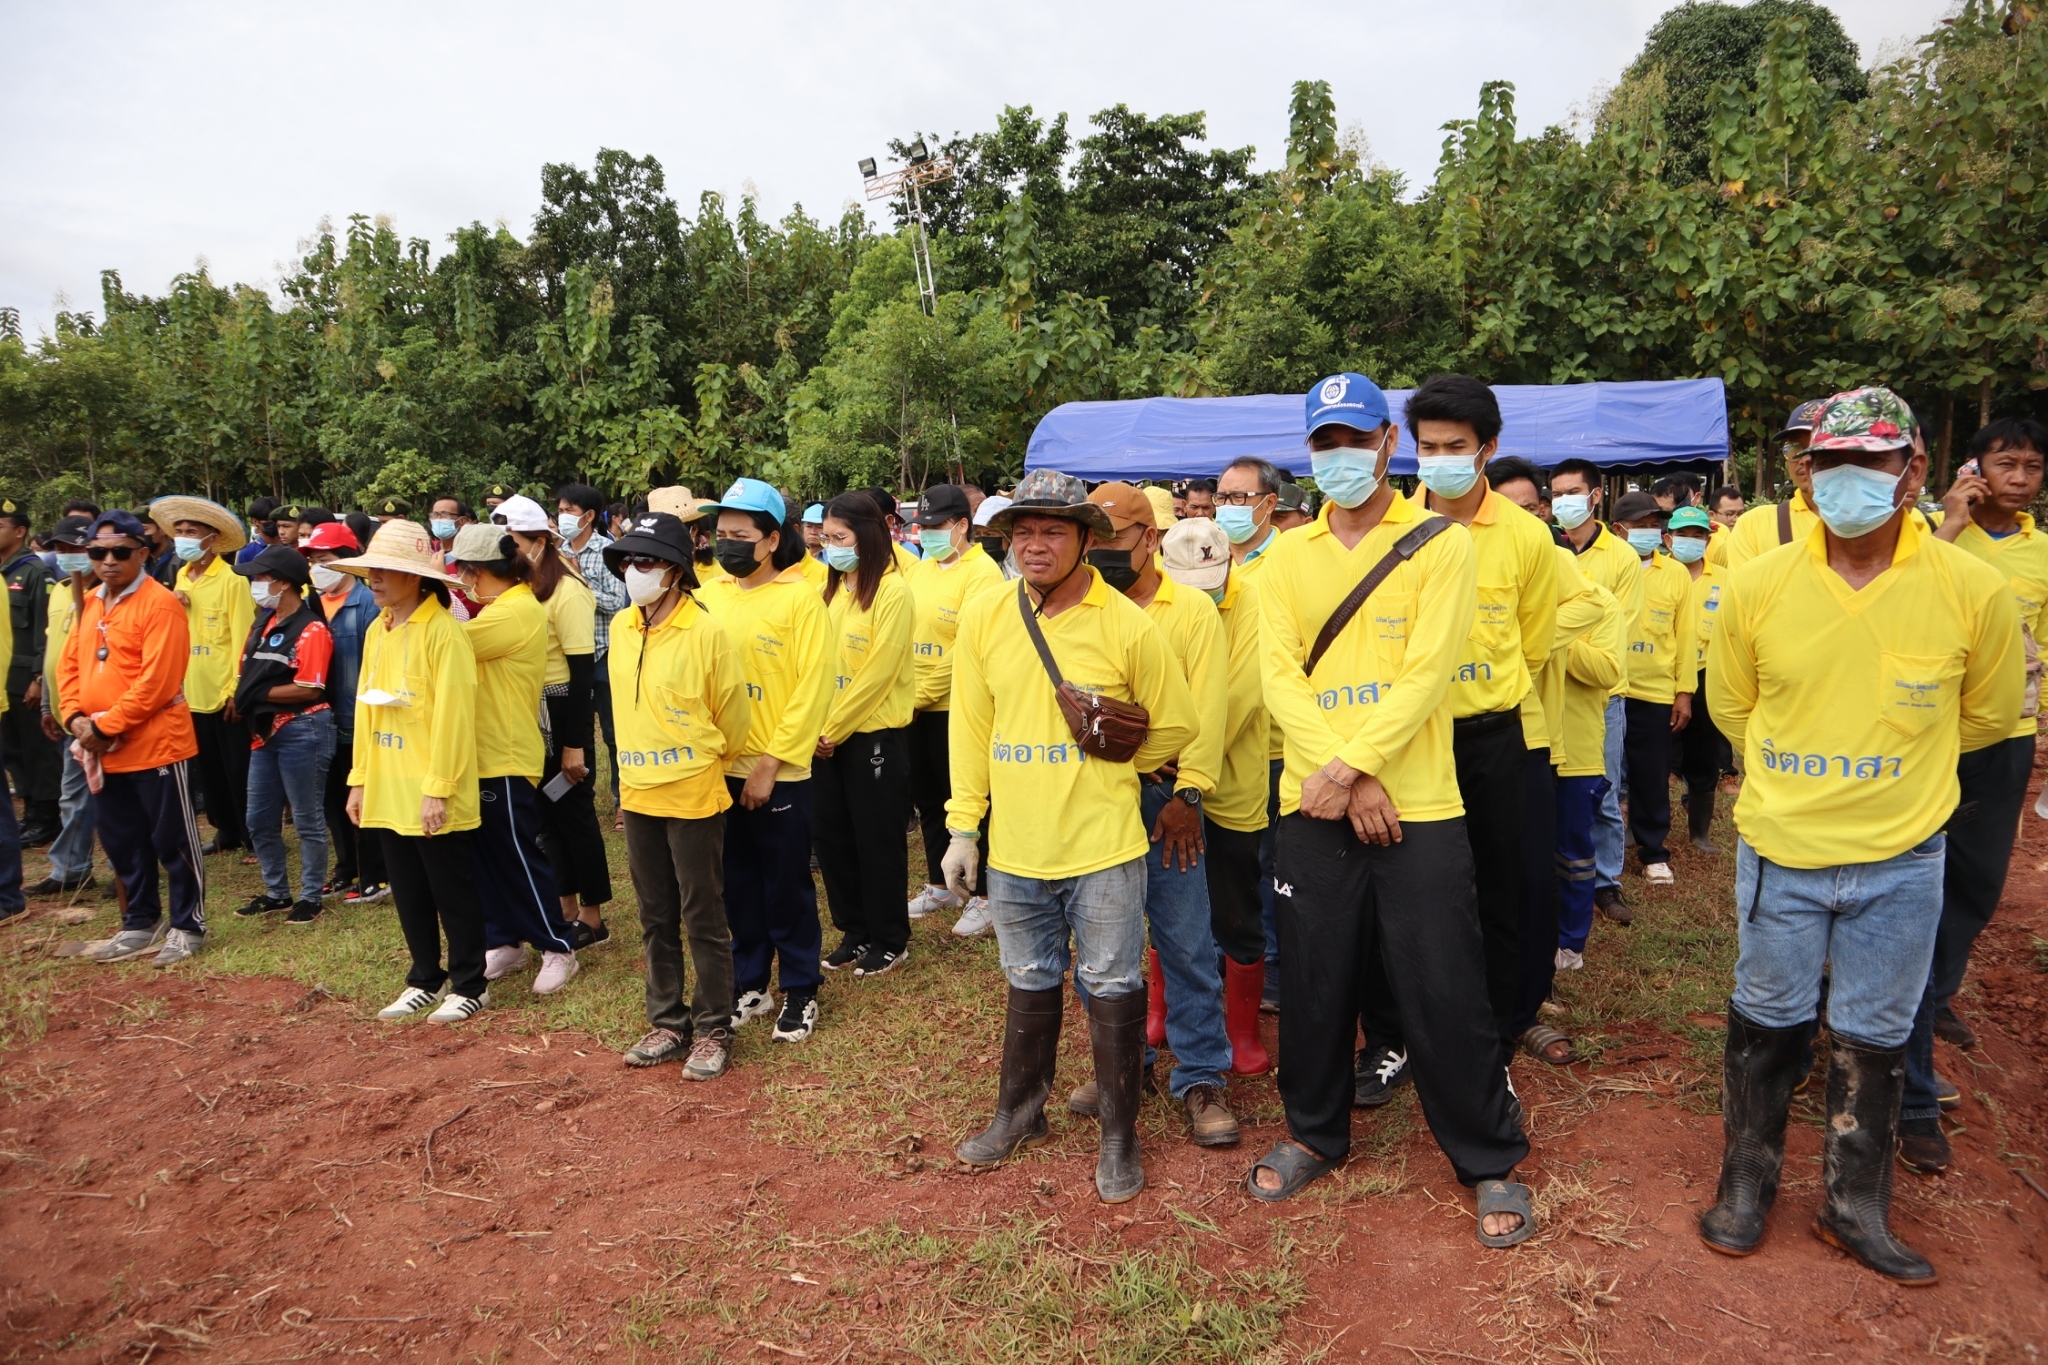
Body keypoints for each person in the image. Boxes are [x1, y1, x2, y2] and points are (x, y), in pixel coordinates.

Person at [1701, 387, 2020, 1285]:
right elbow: (1732, 704)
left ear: (1913, 469)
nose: (1848, 478)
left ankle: (1855, 1204)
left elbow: (1986, 717)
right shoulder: (1759, 583)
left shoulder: (1972, 589)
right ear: (1806, 474)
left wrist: (1891, 779)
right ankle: (1746, 1182)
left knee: (1875, 1033)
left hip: (1902, 858)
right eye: (1830, 462)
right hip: (1783, 851)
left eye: (1871, 461)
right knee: (1767, 1019)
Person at [1247, 373, 1532, 1246]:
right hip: (1317, 803)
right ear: (1310, 451)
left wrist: (1352, 766)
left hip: (1420, 803)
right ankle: (1314, 1132)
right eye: (1323, 442)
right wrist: (1346, 776)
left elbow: (1428, 674)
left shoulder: (1440, 544)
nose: (1340, 455)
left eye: (1355, 438)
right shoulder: (1284, 556)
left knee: (1444, 980)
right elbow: (1279, 677)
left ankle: (1487, 1155)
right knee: (1317, 977)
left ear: (1386, 443)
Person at [946, 468, 1198, 1203]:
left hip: (1104, 847)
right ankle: (1019, 1113)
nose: (1034, 545)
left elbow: (1176, 723)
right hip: (1017, 848)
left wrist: (1120, 769)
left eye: (1052, 531)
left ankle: (1119, 1134)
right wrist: (964, 827)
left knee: (1113, 984)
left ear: (1086, 540)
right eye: (1022, 531)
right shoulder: (986, 616)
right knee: (1028, 978)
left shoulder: (1126, 624)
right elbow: (970, 728)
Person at [1060, 481, 1239, 1147]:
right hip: (1095, 795)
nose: (1104, 550)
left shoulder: (1189, 610)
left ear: (1152, 538)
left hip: (1167, 800)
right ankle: (1123, 1062)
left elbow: (1209, 708)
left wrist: (1189, 794)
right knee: (1100, 946)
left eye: (1118, 537)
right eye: (1095, 537)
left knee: (1185, 939)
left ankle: (1201, 1074)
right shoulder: (1074, 608)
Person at [1395, 378, 1557, 1084]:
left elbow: (1534, 641)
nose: (1440, 460)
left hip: (1493, 737)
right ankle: (1408, 1028)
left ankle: (1498, 1026)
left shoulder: (1526, 535)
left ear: (1487, 447)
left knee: (1499, 881)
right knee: (1414, 887)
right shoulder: (1391, 527)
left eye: (1454, 446)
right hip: (1407, 740)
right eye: (1428, 447)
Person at [1897, 417, 2048, 1173]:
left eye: (2032, 466)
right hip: (1929, 731)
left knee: (1980, 877)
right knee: (1911, 872)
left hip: (2007, 731)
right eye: (2005, 462)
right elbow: (1902, 600)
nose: (2019, 477)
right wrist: (1951, 521)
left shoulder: (2041, 552)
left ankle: (1935, 991)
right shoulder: (1925, 532)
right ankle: (1901, 1014)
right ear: (1973, 467)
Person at [605, 511, 752, 1080]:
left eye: (646, 561)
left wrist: (700, 758)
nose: (634, 571)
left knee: (702, 915)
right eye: (628, 561)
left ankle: (714, 1028)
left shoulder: (706, 632)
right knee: (654, 914)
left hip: (693, 794)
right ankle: (667, 1022)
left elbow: (733, 719)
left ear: (674, 571)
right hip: (639, 793)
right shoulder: (623, 627)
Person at [697, 480, 833, 1040]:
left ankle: (800, 988)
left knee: (785, 885)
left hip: (778, 772)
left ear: (772, 539)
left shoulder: (801, 600)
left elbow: (811, 690)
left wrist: (770, 764)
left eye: (740, 534)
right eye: (721, 533)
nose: (727, 543)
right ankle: (750, 982)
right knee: (736, 883)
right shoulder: (711, 595)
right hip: (718, 768)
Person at [338, 521, 488, 1024]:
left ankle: (470, 983)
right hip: (389, 782)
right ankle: (424, 976)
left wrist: (438, 788)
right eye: (372, 570)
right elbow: (366, 710)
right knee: (407, 887)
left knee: (451, 889)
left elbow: (454, 718)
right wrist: (360, 779)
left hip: (432, 784)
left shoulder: (444, 632)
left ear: (416, 577)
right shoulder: (378, 630)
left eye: (386, 570)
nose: (375, 579)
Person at [1487, 454, 1600, 1060]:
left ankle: (1522, 1009)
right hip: (1438, 738)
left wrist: (1521, 642)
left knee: (1529, 879)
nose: (1521, 517)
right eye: (1508, 506)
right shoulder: (1439, 547)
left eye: (1531, 507)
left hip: (1527, 737)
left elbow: (1593, 606)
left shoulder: (1546, 554)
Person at [59, 511, 204, 963]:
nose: (108, 561)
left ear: (141, 553)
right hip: (103, 747)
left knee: (172, 841)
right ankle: (139, 921)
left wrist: (104, 727)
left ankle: (188, 925)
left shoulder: (160, 604)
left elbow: (157, 682)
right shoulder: (90, 602)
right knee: (122, 839)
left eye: (120, 552)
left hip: (157, 745)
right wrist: (75, 718)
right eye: (97, 552)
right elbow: (69, 667)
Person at [445, 523, 580, 993]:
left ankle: (557, 945)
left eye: (464, 572)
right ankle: (503, 939)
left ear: (479, 571)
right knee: (484, 857)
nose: (463, 580)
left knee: (517, 855)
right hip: (478, 753)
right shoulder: (500, 608)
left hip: (504, 753)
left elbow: (448, 645)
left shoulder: (516, 611)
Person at [1160, 515, 1271, 1076]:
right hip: (1163, 772)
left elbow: (1242, 694)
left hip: (1232, 780)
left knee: (1236, 903)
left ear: (1230, 565)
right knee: (1166, 897)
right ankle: (1162, 1009)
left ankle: (1242, 1029)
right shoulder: (1154, 602)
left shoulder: (1255, 603)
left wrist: (1185, 757)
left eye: (1211, 585)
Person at [494, 494, 615, 947]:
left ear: (539, 542)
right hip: (530, 710)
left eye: (512, 541)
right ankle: (564, 905)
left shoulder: (568, 590)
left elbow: (581, 671)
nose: (507, 551)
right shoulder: (522, 589)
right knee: (546, 816)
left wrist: (574, 743)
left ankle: (593, 916)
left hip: (562, 709)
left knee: (575, 814)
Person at [813, 492, 917, 976]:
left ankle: (890, 938)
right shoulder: (832, 590)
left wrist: (833, 728)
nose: (831, 547)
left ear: (868, 536)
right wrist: (816, 728)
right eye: (826, 537)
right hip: (824, 739)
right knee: (833, 839)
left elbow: (878, 674)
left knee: (877, 841)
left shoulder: (892, 592)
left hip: (872, 736)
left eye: (841, 537)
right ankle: (854, 931)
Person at [902, 484, 1005, 928]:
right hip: (914, 707)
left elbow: (966, 650)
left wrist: (920, 695)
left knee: (969, 799)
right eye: (921, 526)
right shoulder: (921, 570)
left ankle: (983, 892)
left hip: (953, 706)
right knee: (928, 797)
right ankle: (941, 885)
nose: (926, 533)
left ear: (962, 525)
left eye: (936, 525)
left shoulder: (982, 574)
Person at [1548, 460, 1644, 925]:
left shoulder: (1621, 557)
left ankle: (1605, 883)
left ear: (1595, 495)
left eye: (1573, 492)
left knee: (1601, 793)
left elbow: (1617, 630)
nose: (1563, 501)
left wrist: (1549, 639)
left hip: (1602, 694)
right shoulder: (1544, 547)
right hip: (1546, 693)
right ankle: (1560, 882)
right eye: (1556, 494)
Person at [229, 545, 336, 923]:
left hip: (303, 728)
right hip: (265, 732)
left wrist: (255, 695)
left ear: (285, 583)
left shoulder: (312, 629)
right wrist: (251, 693)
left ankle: (310, 896)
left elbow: (309, 688)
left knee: (307, 819)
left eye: (261, 577)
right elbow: (247, 672)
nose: (255, 585)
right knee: (258, 819)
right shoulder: (263, 623)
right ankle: (277, 893)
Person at [151, 496, 253, 857]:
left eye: (191, 531)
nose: (183, 537)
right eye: (179, 531)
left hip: (224, 692)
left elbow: (244, 637)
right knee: (208, 769)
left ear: (213, 538)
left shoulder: (231, 580)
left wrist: (236, 689)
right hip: (191, 690)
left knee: (237, 769)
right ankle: (226, 830)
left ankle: (253, 835)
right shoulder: (181, 576)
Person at [1608, 490, 1696, 888]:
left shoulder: (1675, 573)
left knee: (1651, 774)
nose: (1649, 531)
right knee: (1603, 774)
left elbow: (1685, 635)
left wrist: (1684, 692)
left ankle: (1654, 851)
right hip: (1606, 687)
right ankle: (1603, 848)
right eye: (1639, 526)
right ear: (1618, 529)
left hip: (1654, 692)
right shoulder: (1604, 566)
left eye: (1653, 525)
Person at [304, 523, 387, 904]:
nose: (317, 567)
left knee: (363, 797)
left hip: (358, 718)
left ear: (349, 561)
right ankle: (345, 868)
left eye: (325, 559)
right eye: (313, 560)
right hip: (321, 718)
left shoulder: (369, 603)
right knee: (332, 799)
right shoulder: (311, 604)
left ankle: (375, 873)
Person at [28, 517, 100, 896]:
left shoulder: (107, 594)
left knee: (115, 795)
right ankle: (71, 867)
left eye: (76, 549)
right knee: (73, 793)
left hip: (98, 712)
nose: (68, 556)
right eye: (61, 549)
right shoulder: (59, 591)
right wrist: (47, 705)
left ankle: (128, 867)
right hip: (66, 710)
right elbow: (53, 652)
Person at [558, 484, 627, 820]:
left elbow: (616, 602)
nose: (562, 516)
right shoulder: (556, 551)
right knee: (576, 731)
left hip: (604, 653)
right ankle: (579, 798)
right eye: (560, 510)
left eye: (569, 511)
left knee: (615, 733)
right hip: (570, 656)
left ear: (588, 516)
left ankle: (622, 801)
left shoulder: (607, 551)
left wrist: (580, 583)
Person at [0, 499, 60, 846]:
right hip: (3, 679)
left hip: (26, 678)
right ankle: (30, 813)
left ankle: (46, 816)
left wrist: (39, 679)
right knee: (13, 750)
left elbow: (45, 631)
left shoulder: (35, 573)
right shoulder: (3, 573)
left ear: (20, 531)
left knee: (38, 749)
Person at [1669, 507, 1727, 854]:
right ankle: (1644, 825)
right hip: (1662, 674)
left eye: (1697, 535)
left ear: (1707, 540)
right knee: (1654, 752)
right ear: (1668, 538)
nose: (1690, 541)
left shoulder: (1727, 580)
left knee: (1704, 752)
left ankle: (1699, 832)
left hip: (1707, 674)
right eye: (1683, 534)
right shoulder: (1656, 574)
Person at [1214, 459, 1282, 566]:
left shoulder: (1291, 555)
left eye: (1238, 497)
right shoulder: (1203, 554)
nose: (1226, 505)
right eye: (1220, 497)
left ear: (1269, 503)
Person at [972, 495, 1015, 579]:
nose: (982, 541)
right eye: (977, 533)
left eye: (989, 534)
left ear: (1009, 536)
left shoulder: (1025, 568)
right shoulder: (973, 568)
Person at [237, 498, 277, 566]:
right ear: (255, 521)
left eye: (276, 519)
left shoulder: (289, 547)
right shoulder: (246, 553)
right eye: (268, 519)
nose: (273, 523)